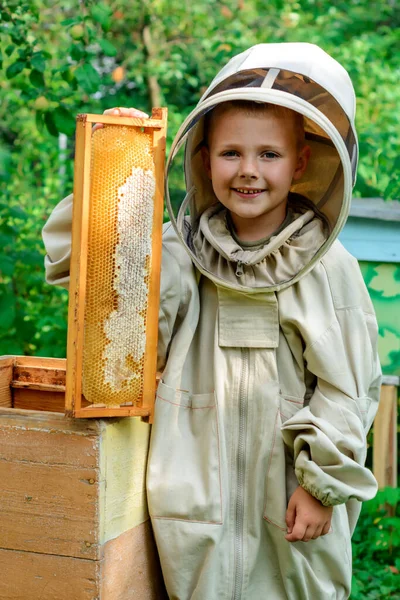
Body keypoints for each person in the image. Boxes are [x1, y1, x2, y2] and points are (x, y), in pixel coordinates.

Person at [42, 43, 381, 599]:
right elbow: (102, 275)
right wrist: (120, 167)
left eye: (269, 154)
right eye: (231, 153)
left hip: (291, 498)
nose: (249, 171)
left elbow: (349, 386)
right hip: (190, 496)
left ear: (300, 164)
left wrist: (323, 483)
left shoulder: (328, 266)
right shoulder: (178, 252)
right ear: (203, 159)